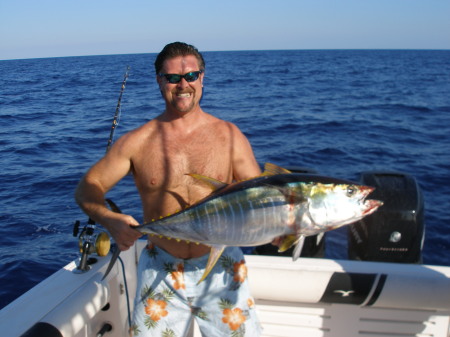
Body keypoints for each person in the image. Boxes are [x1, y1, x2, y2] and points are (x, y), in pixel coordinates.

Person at [75, 42, 262, 336]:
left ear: (203, 77)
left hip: (222, 265)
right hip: (160, 268)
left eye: (191, 75)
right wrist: (109, 219)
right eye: (173, 77)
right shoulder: (136, 141)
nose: (183, 84)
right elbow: (88, 187)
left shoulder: (230, 136)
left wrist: (288, 225)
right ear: (159, 81)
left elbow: (261, 197)